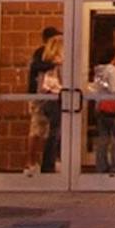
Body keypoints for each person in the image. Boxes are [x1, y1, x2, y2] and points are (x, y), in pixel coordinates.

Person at [88, 45, 115, 175]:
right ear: (113, 56)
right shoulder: (112, 70)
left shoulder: (98, 70)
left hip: (100, 106)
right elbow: (113, 89)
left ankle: (101, 165)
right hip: (111, 107)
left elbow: (97, 87)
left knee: (103, 138)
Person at [37, 32, 65, 173]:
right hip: (55, 100)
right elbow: (63, 83)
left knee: (54, 132)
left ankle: (51, 163)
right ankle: (51, 164)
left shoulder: (45, 65)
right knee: (56, 133)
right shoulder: (58, 65)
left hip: (47, 101)